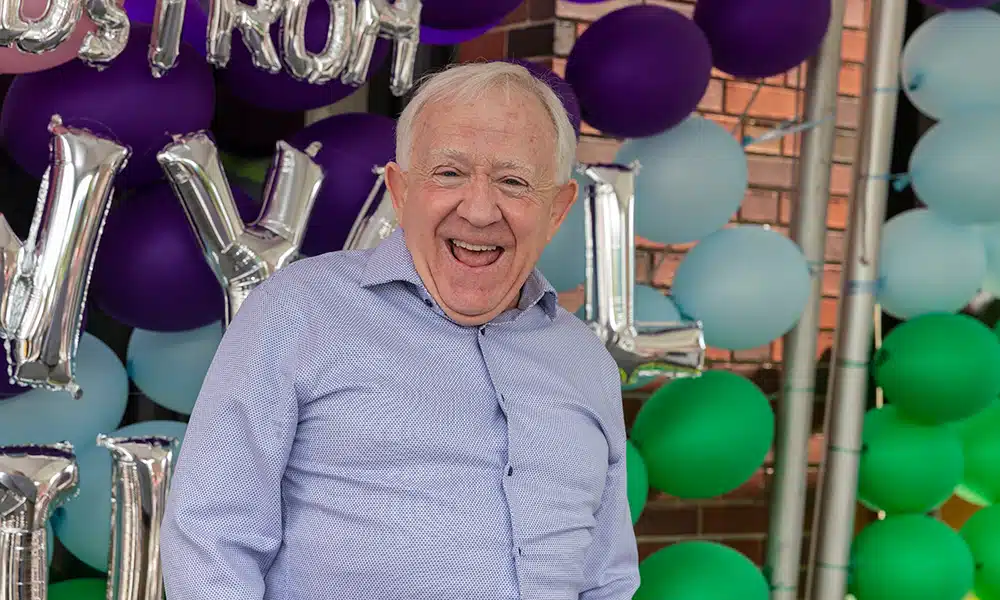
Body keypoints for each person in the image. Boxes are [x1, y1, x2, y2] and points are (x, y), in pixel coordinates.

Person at [160, 61, 639, 600]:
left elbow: (608, 578)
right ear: (401, 190)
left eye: (513, 181)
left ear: (557, 210)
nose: (480, 210)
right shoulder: (299, 311)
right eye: (449, 173)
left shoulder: (586, 360)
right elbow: (210, 541)